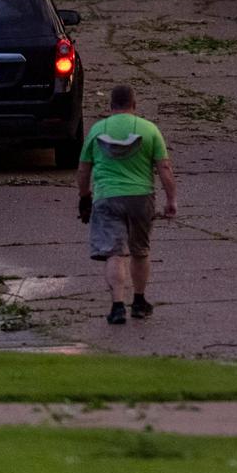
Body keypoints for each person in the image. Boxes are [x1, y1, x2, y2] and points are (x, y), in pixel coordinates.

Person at [77, 84, 177, 325]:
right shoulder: (149, 129)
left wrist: (84, 195)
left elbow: (83, 169)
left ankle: (118, 305)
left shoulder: (97, 130)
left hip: (107, 197)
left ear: (110, 106)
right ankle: (140, 302)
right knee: (140, 251)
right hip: (141, 198)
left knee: (115, 253)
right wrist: (171, 200)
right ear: (135, 105)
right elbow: (164, 168)